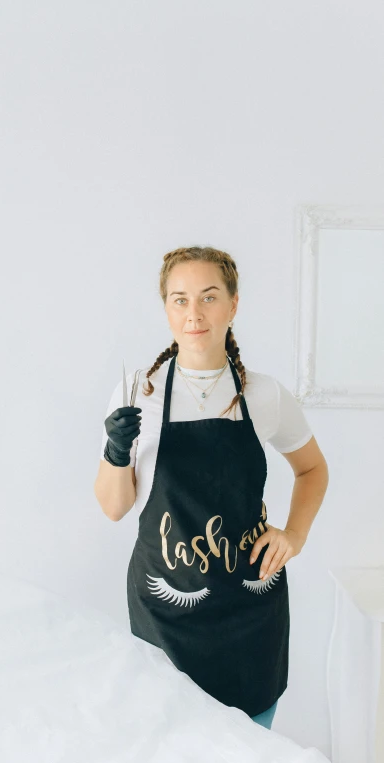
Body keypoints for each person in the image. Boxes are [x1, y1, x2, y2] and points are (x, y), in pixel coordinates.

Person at [94, 246, 329, 730]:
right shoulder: (139, 391)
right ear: (166, 308)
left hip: (250, 609)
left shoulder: (264, 394)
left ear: (233, 304)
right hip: (166, 611)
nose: (194, 313)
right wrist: (117, 451)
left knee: (247, 756)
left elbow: (312, 470)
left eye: (208, 296)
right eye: (179, 299)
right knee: (166, 750)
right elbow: (114, 507)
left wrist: (295, 535)